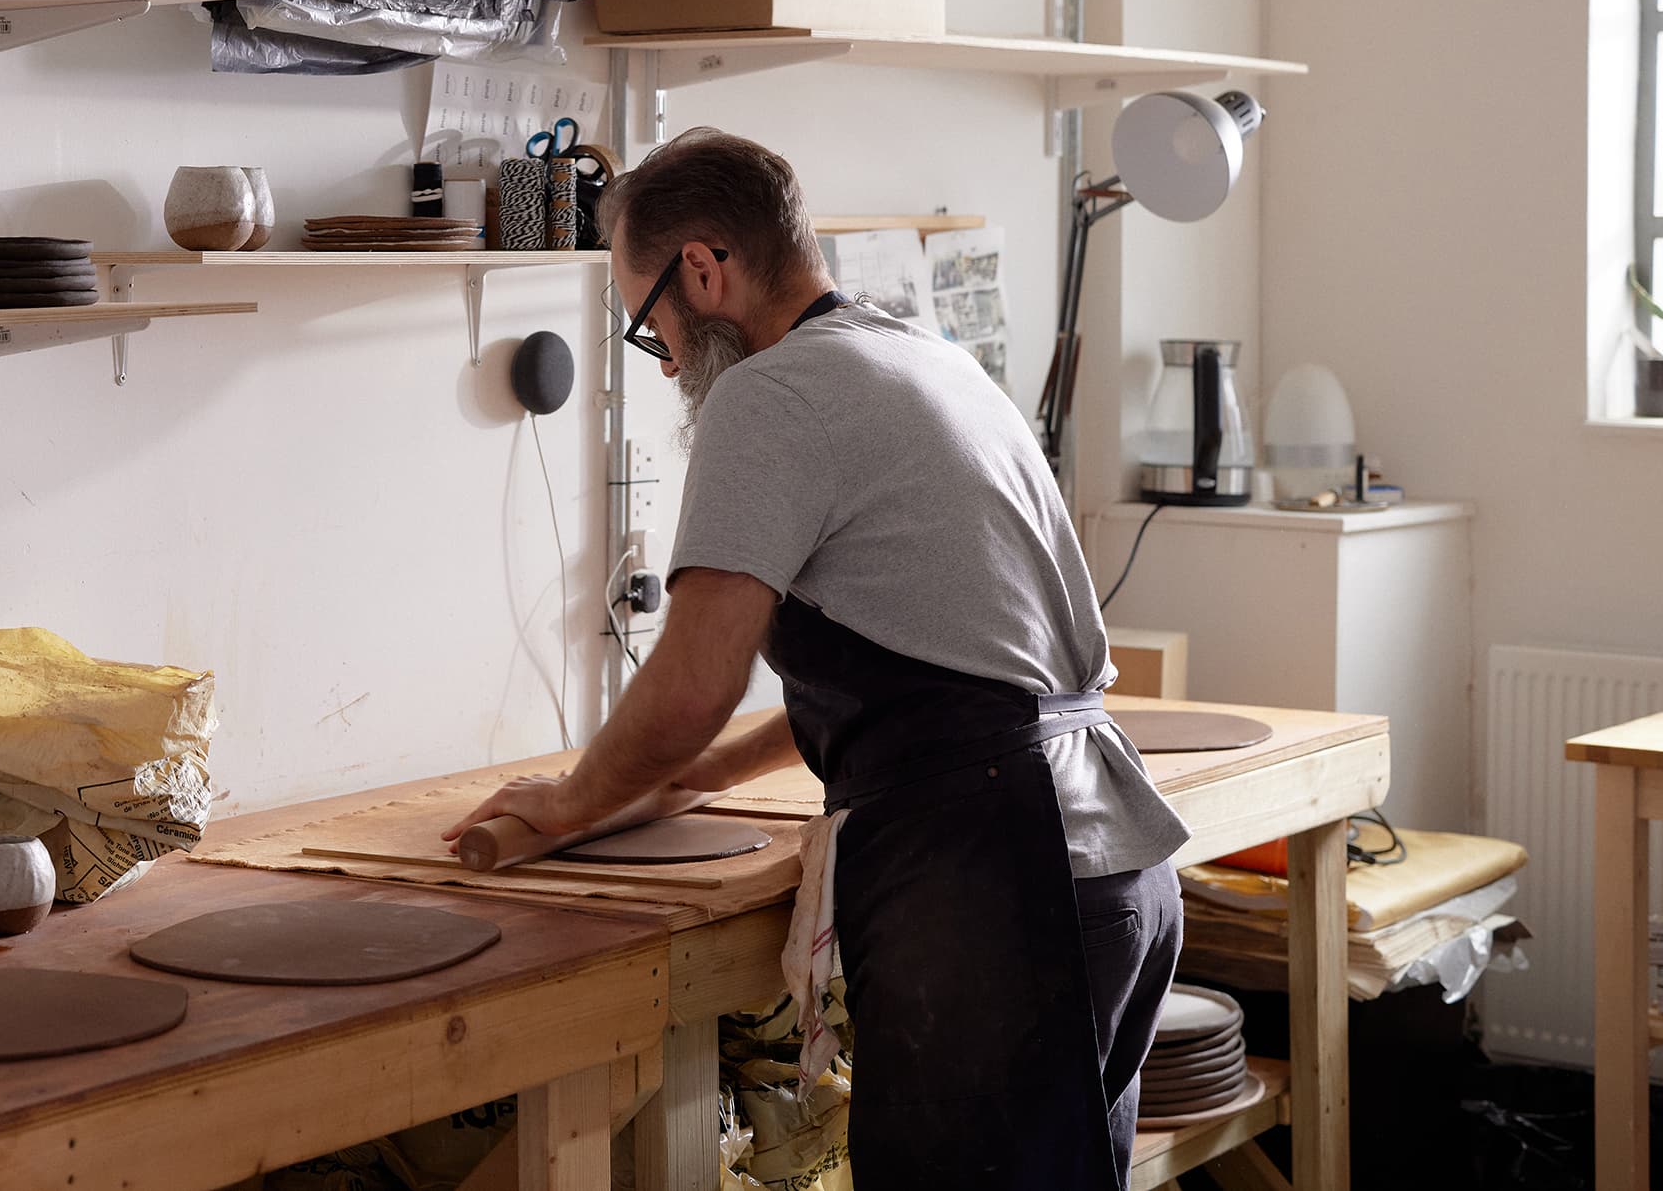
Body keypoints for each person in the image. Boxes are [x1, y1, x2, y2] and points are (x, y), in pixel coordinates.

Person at [445, 128, 1186, 1190]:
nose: (660, 356)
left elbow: (694, 682)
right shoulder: (923, 356)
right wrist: (685, 781)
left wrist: (569, 801)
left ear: (703, 267)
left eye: (648, 321)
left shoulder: (770, 394)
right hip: (1106, 869)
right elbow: (917, 677)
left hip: (998, 882)